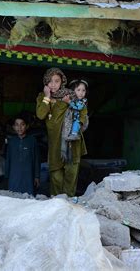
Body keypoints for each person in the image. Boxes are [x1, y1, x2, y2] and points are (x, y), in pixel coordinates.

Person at [36, 68, 87, 197]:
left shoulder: (70, 95)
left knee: (71, 176)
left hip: (72, 142)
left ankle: (69, 205)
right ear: (45, 82)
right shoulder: (42, 97)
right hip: (55, 143)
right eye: (50, 81)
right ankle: (56, 204)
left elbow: (82, 111)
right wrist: (47, 97)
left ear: (62, 81)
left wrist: (77, 125)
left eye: (56, 81)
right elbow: (41, 115)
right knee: (56, 176)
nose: (53, 84)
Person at [4, 115, 40, 195]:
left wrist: (37, 176)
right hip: (14, 175)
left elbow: (36, 159)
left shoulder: (32, 141)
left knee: (29, 198)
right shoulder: (11, 142)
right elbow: (8, 159)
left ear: (27, 126)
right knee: (13, 197)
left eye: (22, 124)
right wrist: (6, 175)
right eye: (17, 125)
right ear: (13, 127)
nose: (19, 127)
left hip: (28, 175)